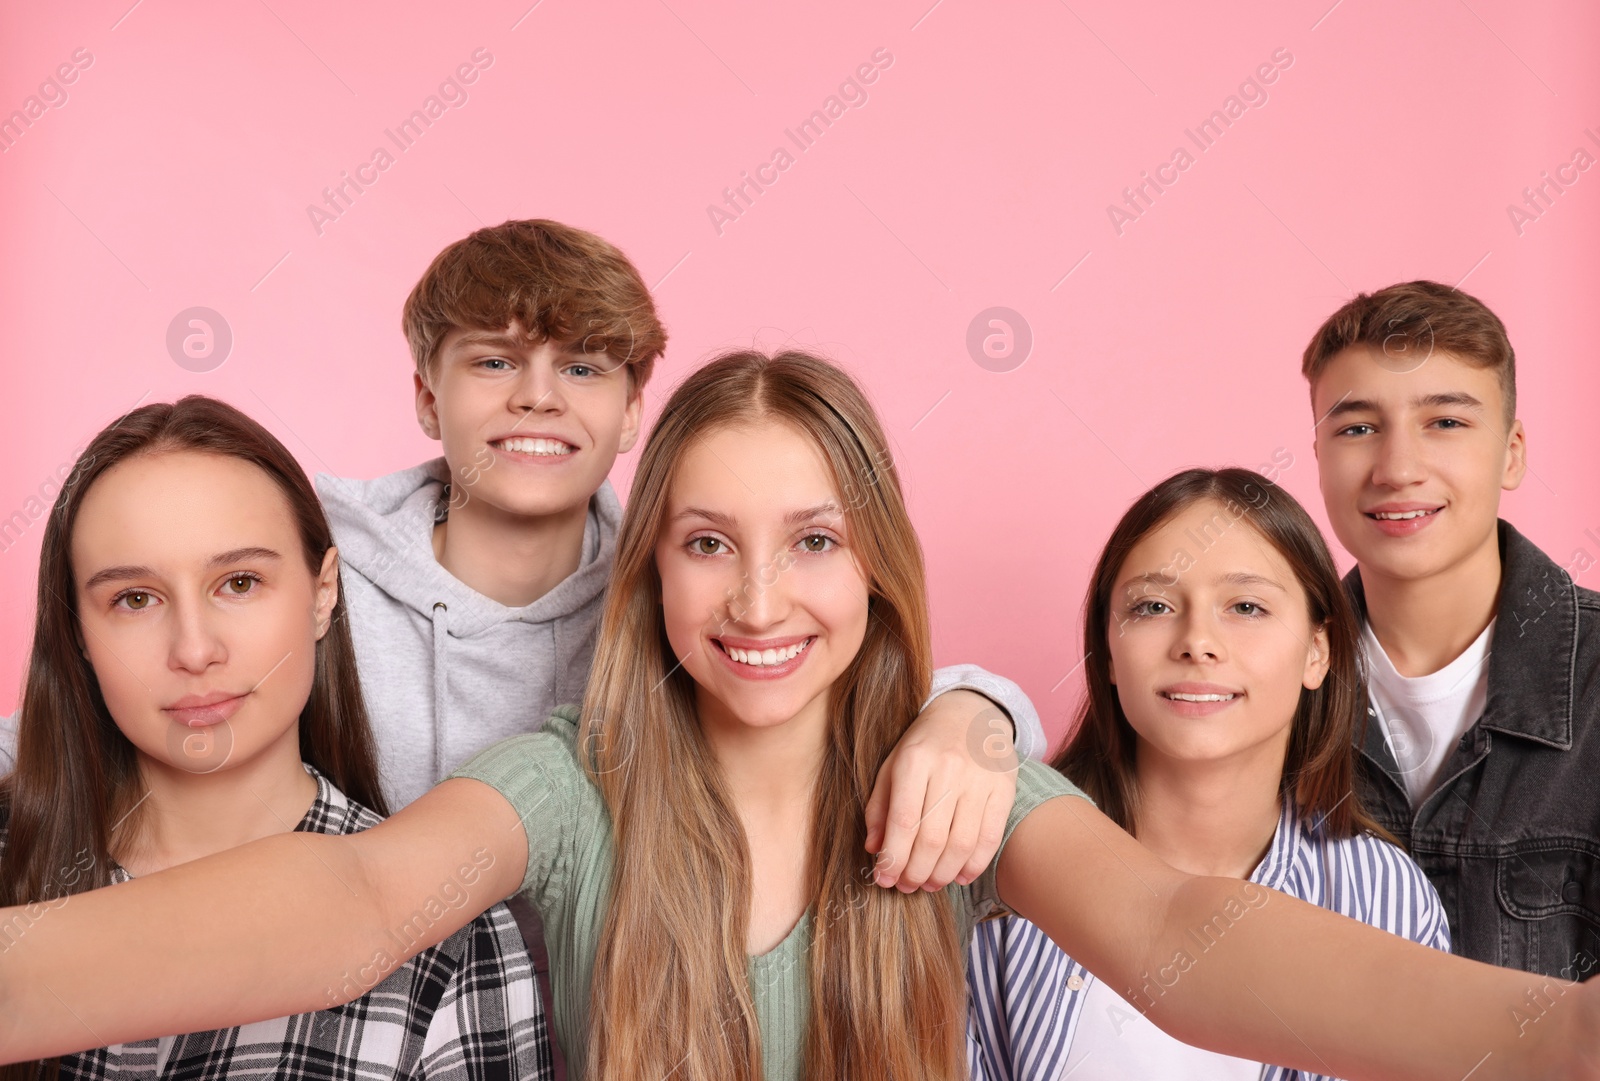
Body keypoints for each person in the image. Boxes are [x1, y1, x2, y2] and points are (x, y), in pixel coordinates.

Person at [2, 353, 1596, 1081]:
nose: (760, 602)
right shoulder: (570, 788)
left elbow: (1186, 934)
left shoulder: (958, 803)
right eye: (708, 543)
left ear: (877, 563)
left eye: (813, 541)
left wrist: (1555, 1034)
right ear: (654, 572)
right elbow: (355, 898)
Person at [0, 396, 548, 1080]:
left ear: (323, 594)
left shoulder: (453, 939)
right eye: (135, 598)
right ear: (78, 630)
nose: (194, 650)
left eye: (238, 582)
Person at [966, 468, 1450, 1080]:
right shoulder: (992, 866)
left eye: (1246, 606)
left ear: (1317, 651)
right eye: (1154, 606)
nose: (1197, 642)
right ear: (1109, 653)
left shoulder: (1387, 899)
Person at [1302, 281, 1600, 981]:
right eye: (1356, 427)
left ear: (1512, 452)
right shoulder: (1262, 676)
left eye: (1446, 422)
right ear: (1317, 455)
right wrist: (990, 711)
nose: (1398, 468)